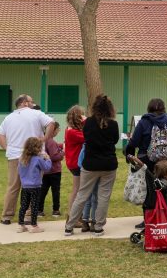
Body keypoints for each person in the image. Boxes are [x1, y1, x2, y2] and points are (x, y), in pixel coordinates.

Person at [0, 94, 58, 225]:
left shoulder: (8, 117)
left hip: (14, 156)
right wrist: (45, 139)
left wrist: (7, 148)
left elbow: (0, 134)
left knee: (13, 186)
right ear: (24, 103)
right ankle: (28, 216)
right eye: (31, 101)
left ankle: (7, 216)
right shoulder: (36, 113)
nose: (33, 104)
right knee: (33, 185)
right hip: (34, 155)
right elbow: (51, 123)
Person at [64, 94, 120, 237]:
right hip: (108, 164)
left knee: (82, 195)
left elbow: (86, 138)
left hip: (90, 164)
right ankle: (98, 227)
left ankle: (69, 226)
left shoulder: (88, 123)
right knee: (103, 196)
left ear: (94, 107)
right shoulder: (113, 124)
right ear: (110, 109)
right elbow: (114, 140)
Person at [125, 98, 167, 172]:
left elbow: (134, 142)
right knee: (163, 179)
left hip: (145, 160)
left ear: (149, 108)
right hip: (165, 162)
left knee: (146, 179)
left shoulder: (143, 122)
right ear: (163, 108)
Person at [16, 137, 52, 233]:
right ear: (37, 148)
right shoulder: (38, 159)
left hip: (25, 186)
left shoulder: (22, 159)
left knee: (23, 206)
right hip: (35, 187)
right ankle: (34, 226)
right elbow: (47, 168)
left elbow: (19, 171)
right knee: (34, 206)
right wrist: (48, 159)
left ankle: (21, 225)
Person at [63, 105, 85, 216]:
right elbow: (88, 136)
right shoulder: (72, 132)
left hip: (73, 162)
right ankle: (72, 215)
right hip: (76, 163)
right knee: (77, 189)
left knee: (78, 189)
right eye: (82, 115)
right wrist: (86, 121)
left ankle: (74, 215)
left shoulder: (70, 129)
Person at [37, 133, 64, 218]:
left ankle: (39, 210)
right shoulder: (51, 141)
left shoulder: (43, 141)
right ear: (53, 130)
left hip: (45, 171)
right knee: (55, 191)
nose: (58, 131)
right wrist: (62, 153)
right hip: (54, 171)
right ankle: (56, 211)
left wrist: (60, 146)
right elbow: (54, 157)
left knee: (43, 190)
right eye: (57, 130)